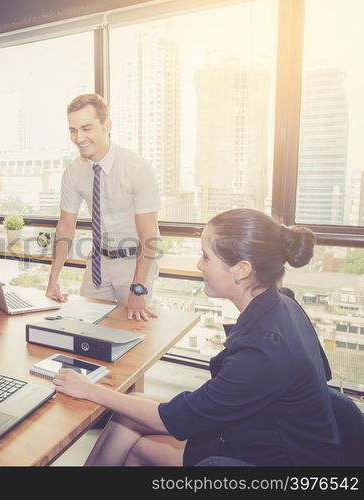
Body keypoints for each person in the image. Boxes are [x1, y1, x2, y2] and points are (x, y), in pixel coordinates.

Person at [52, 208, 339, 466]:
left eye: (206, 256)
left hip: (272, 459)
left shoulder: (265, 347)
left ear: (242, 270)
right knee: (132, 408)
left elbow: (175, 421)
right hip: (258, 429)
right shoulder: (282, 304)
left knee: (137, 447)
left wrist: (89, 390)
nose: (199, 265)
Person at [45, 94, 161, 321]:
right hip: (98, 263)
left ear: (107, 125)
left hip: (133, 263)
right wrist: (53, 278)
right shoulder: (74, 172)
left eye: (86, 128)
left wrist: (139, 288)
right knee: (84, 328)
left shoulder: (136, 168)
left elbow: (149, 234)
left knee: (133, 334)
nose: (79, 138)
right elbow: (66, 226)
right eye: (73, 130)